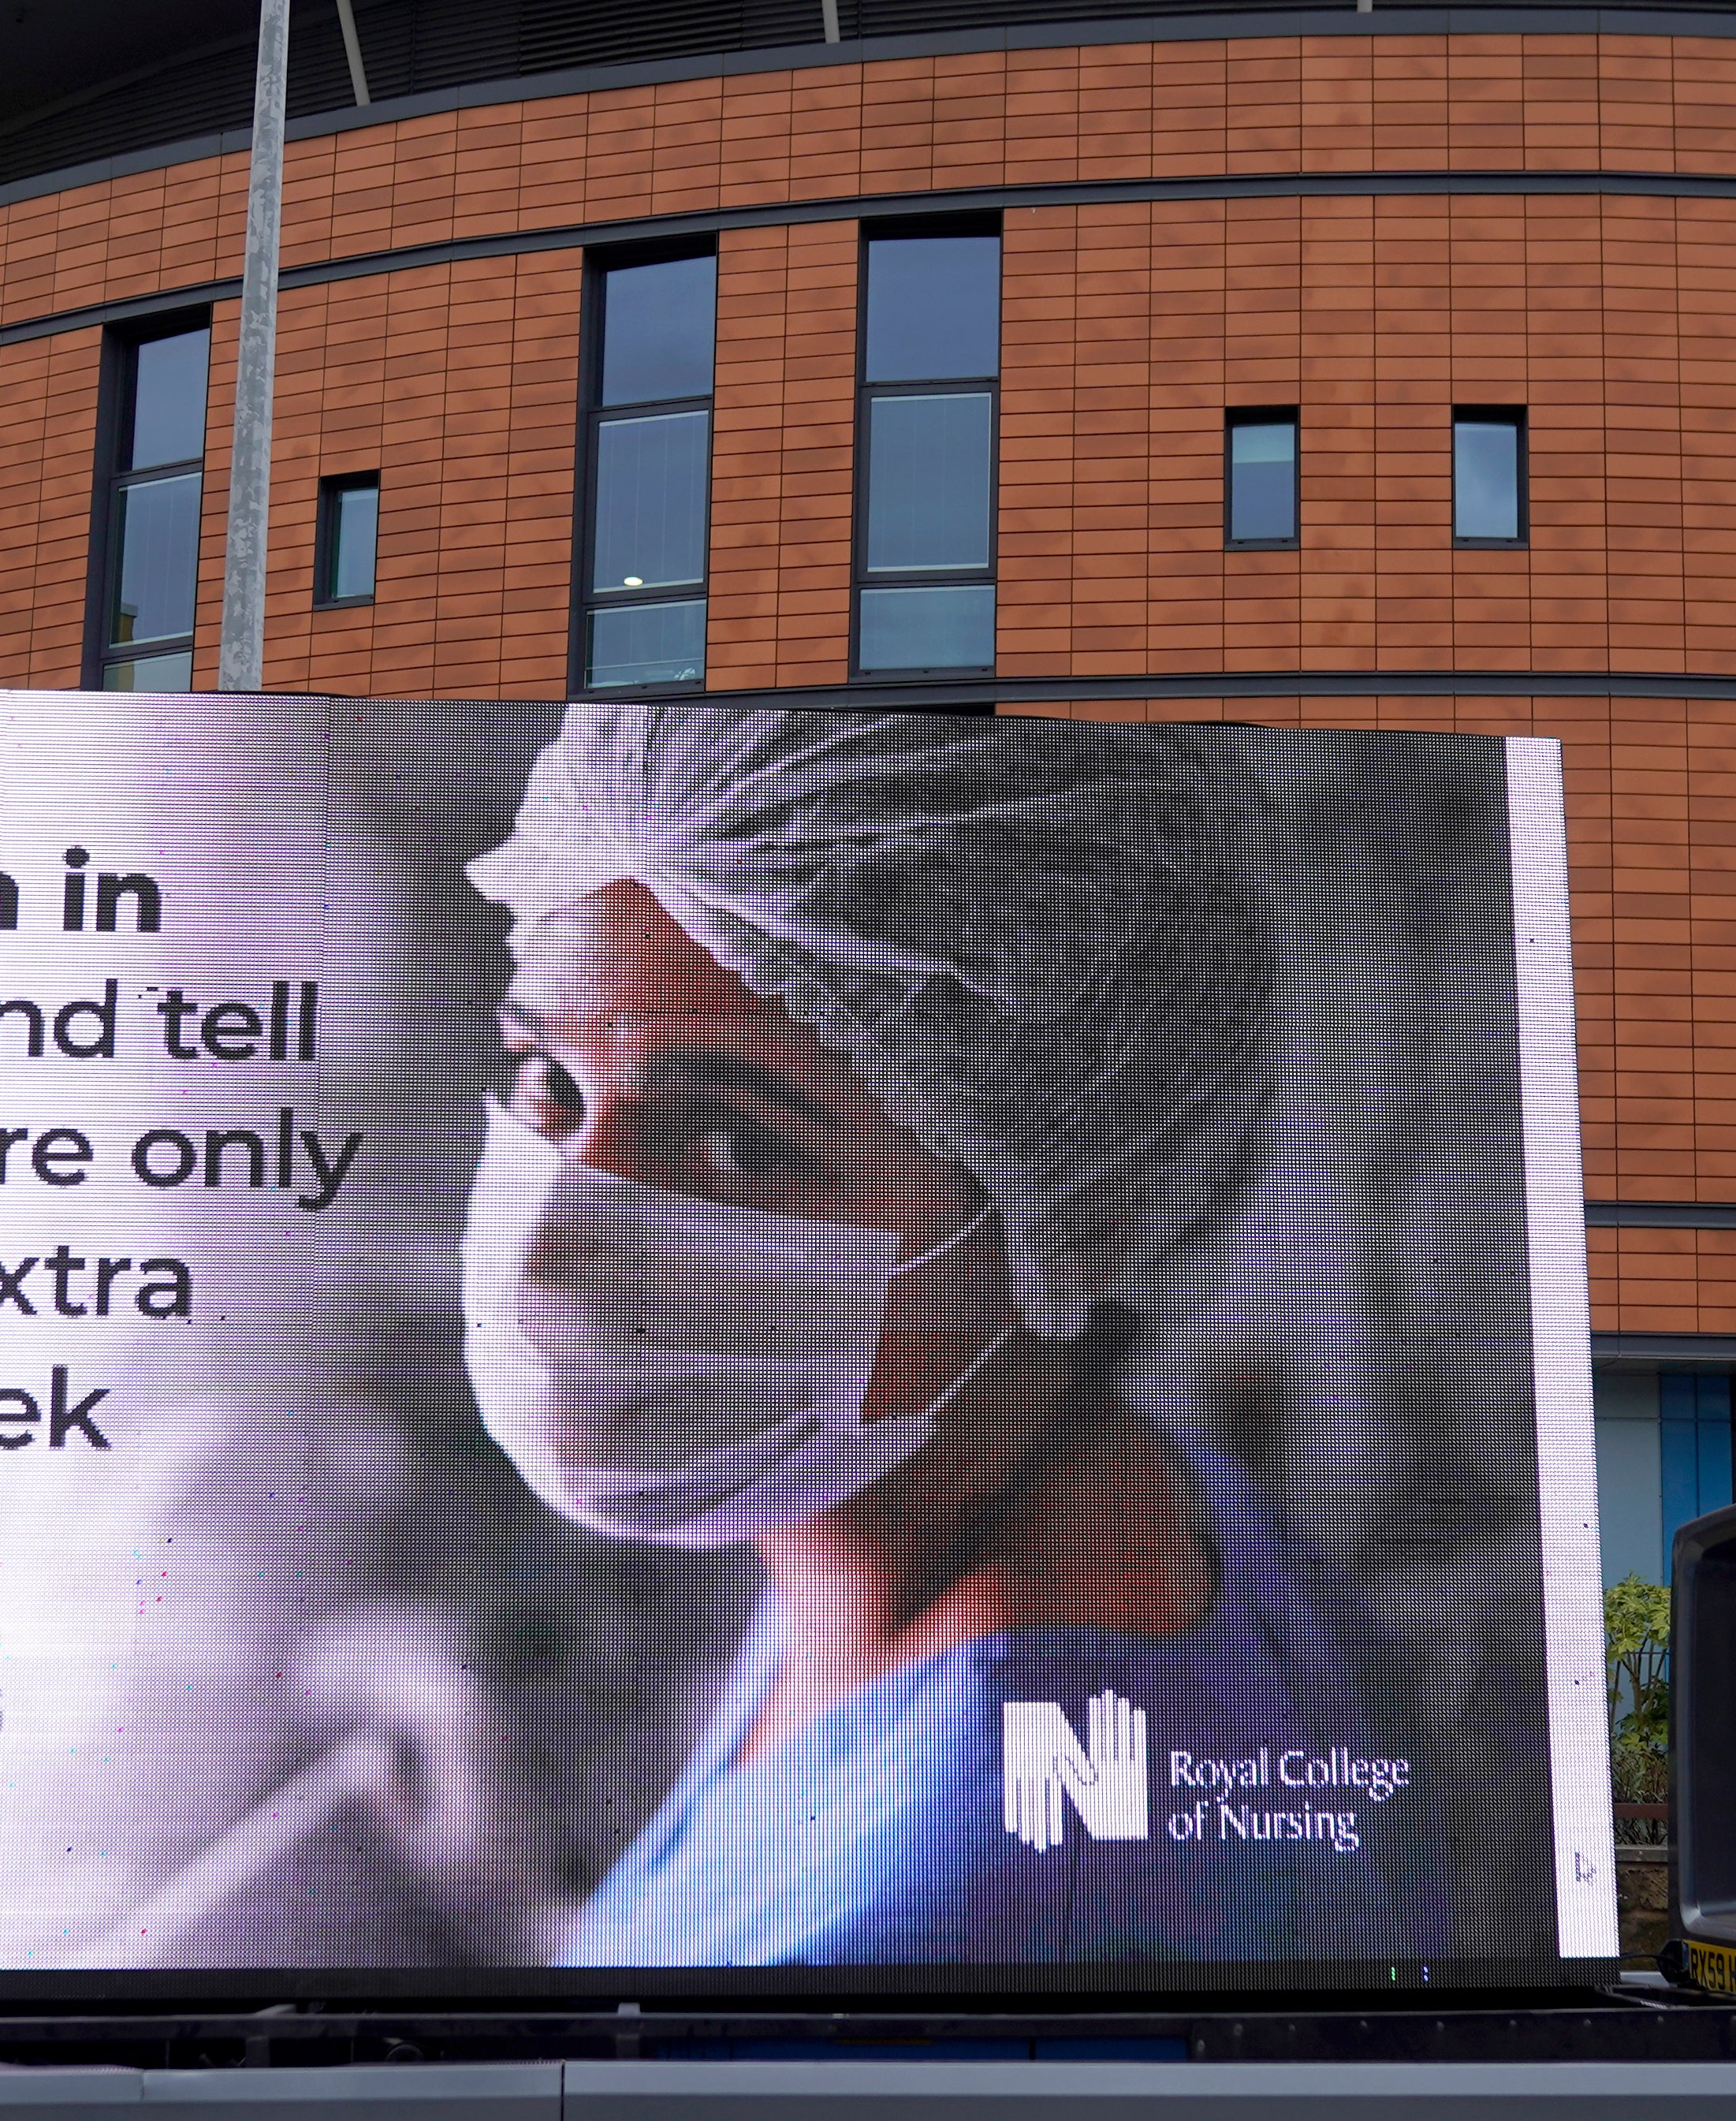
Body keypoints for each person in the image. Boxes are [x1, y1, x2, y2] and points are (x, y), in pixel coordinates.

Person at [459, 705, 1440, 1968]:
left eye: (734, 1142)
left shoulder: (929, 1926)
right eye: (550, 1079)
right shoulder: (1007, 1505)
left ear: (1080, 1206)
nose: (543, 1259)